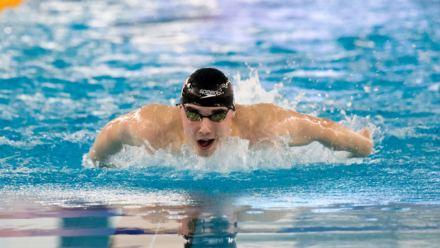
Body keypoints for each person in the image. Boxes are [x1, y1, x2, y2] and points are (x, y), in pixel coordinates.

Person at [89, 68, 373, 167]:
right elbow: (110, 134)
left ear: (231, 114)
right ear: (180, 110)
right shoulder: (154, 128)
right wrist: (101, 165)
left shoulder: (264, 128)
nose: (204, 128)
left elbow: (323, 130)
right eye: (193, 114)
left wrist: (362, 147)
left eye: (216, 116)